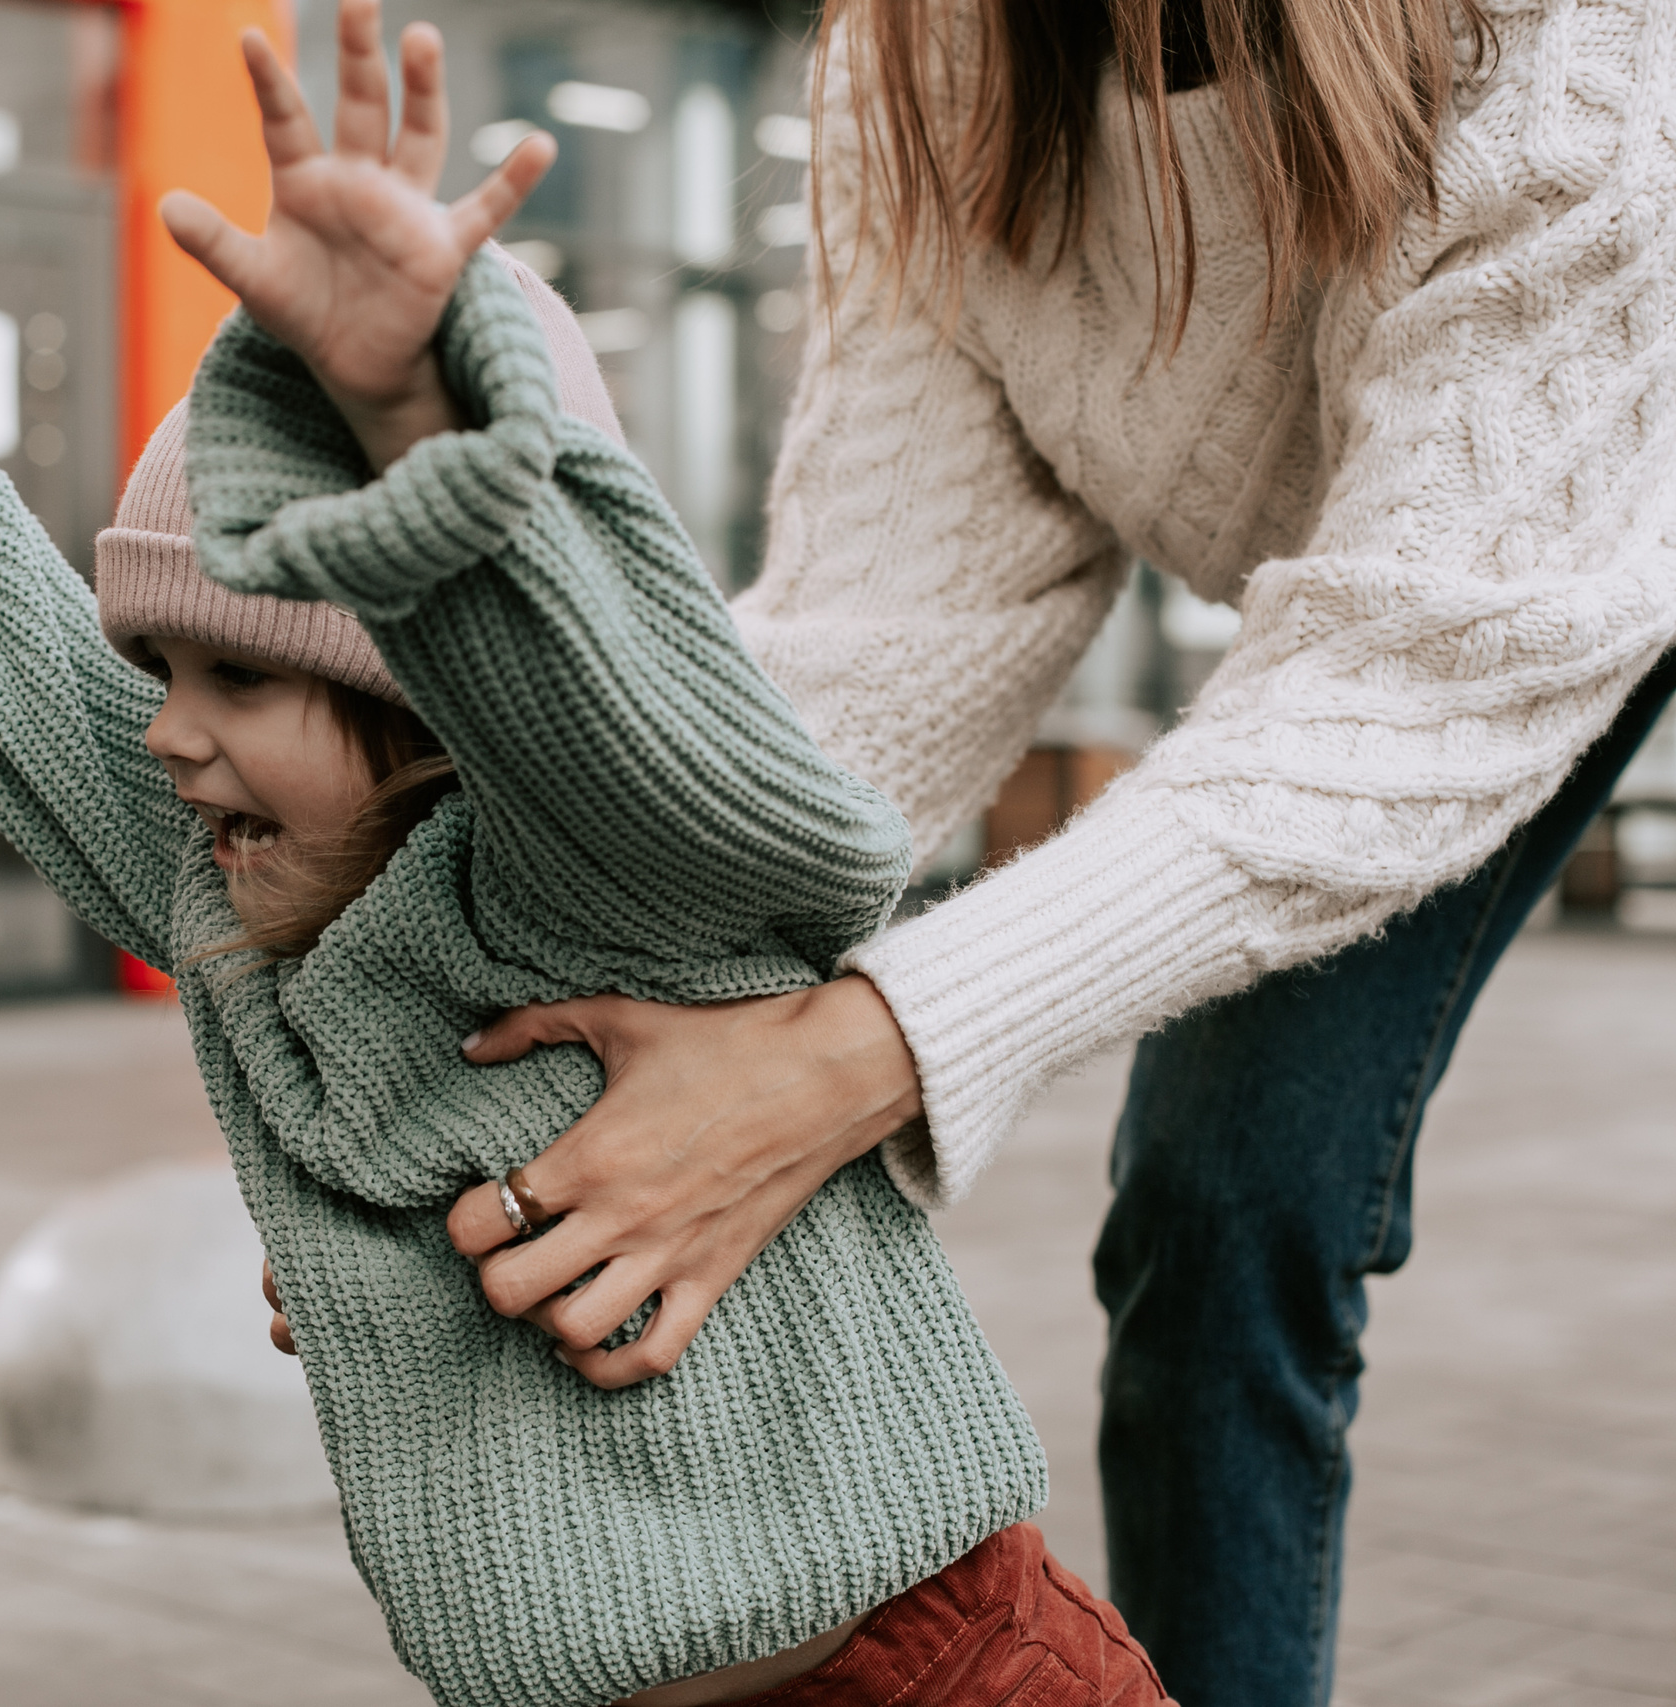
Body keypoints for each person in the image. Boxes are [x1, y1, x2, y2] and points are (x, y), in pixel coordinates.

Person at [0, 10, 1173, 1703]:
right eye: (163, 672)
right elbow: (41, 694)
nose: (169, 734)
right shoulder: (255, 910)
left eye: (239, 675)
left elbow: (596, 701)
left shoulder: (602, 878)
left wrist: (425, 442)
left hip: (937, 1675)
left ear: (427, 705)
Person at [431, 2, 1676, 1704]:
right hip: (1364, 604)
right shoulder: (920, 60)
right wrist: (466, 1045)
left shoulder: (1569, 46)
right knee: (1217, 1212)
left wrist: (855, 1056)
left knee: (1238, 1178)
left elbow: (1416, 666)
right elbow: (882, 635)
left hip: (1549, 534)